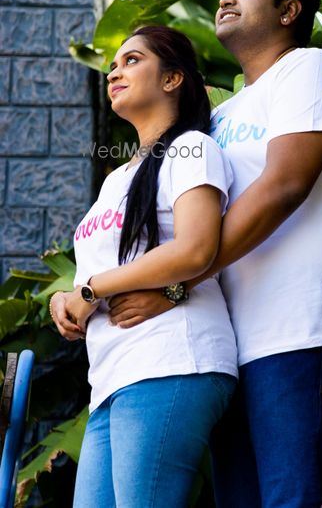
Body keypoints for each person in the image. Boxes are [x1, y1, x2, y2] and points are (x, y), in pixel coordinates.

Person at [106, 0, 322, 507]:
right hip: (231, 349)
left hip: (304, 329)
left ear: (289, 11)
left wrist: (173, 281)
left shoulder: (310, 69)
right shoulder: (224, 117)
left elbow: (284, 186)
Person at [49, 25, 237, 507]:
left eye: (132, 60)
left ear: (173, 79)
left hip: (171, 359)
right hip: (111, 375)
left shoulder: (192, 150)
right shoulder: (117, 178)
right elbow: (98, 269)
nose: (115, 70)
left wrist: (91, 290)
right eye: (113, 64)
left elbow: (196, 249)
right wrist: (65, 299)